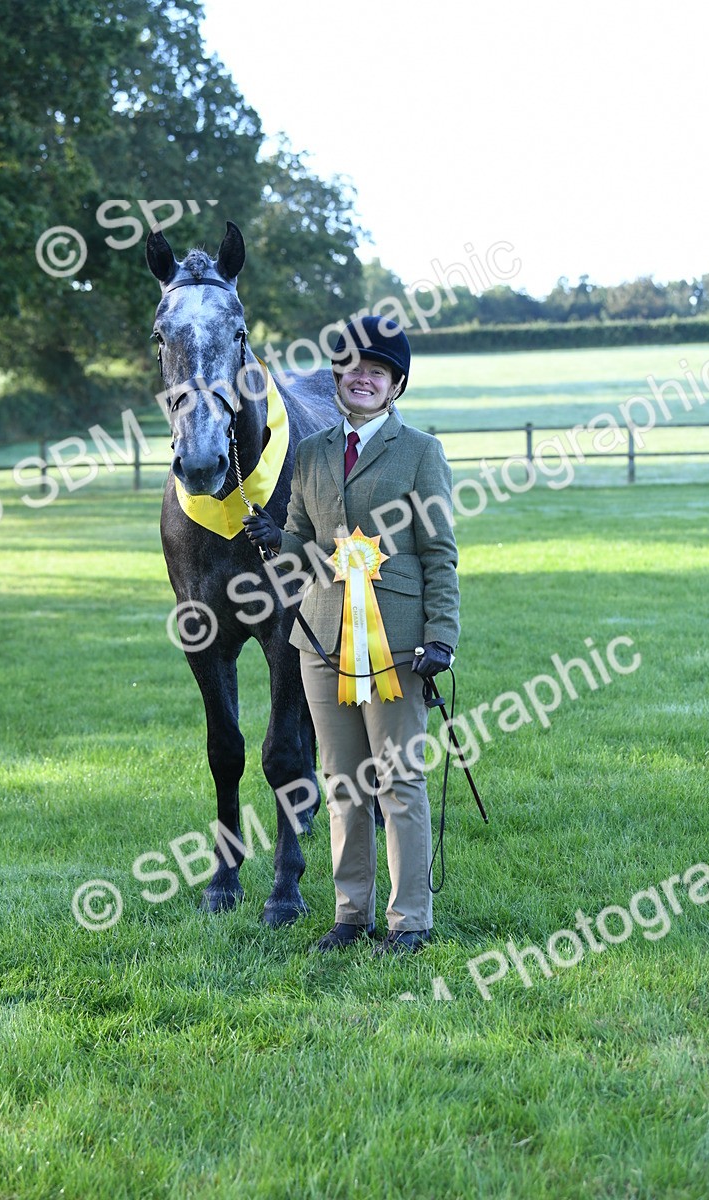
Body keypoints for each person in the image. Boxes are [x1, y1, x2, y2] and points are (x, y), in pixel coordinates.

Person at [243, 316, 460, 955]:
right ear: (336, 375)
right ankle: (351, 913)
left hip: (396, 644)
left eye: (377, 371)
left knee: (398, 783)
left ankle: (410, 921)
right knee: (342, 783)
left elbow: (440, 553)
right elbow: (308, 552)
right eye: (351, 367)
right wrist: (276, 541)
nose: (361, 378)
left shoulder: (421, 452)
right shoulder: (308, 455)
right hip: (320, 643)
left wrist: (441, 636)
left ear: (394, 385)